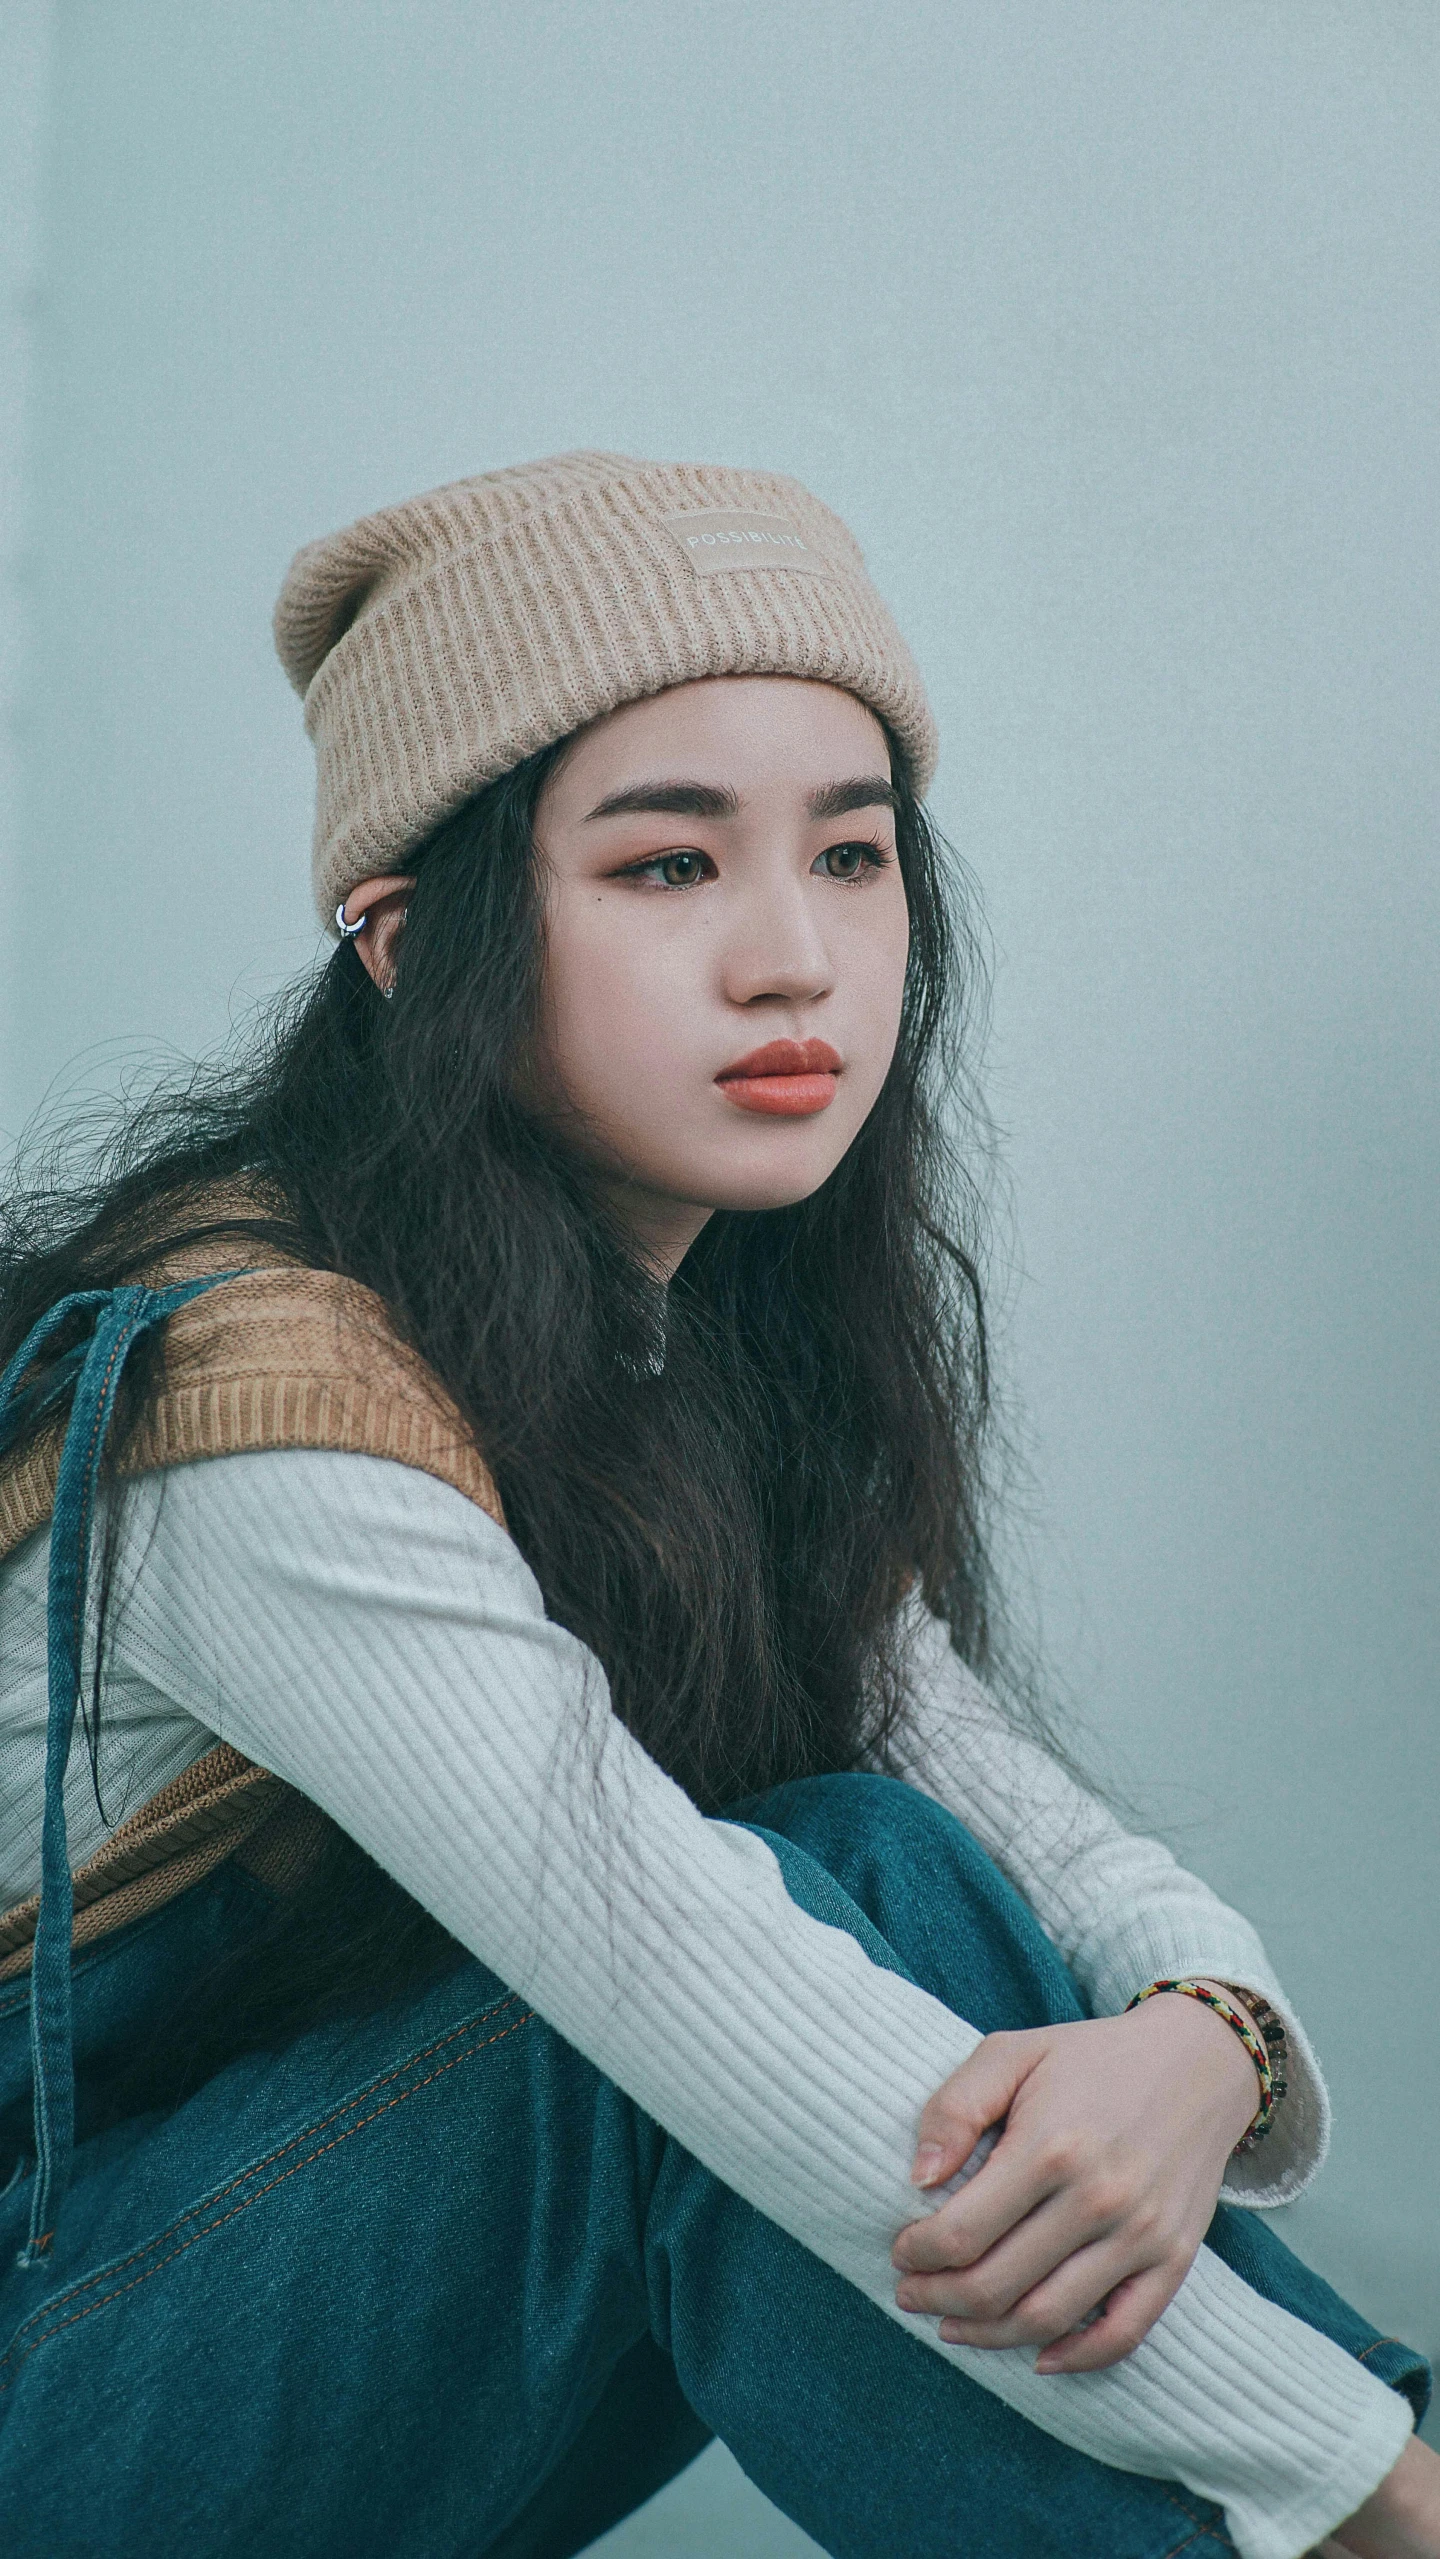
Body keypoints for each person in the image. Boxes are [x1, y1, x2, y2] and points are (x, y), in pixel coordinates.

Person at [0, 453, 1432, 2559]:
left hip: (228, 2314)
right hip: (69, 2397)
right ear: (407, 942)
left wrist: (1203, 2034)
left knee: (865, 1847)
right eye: (669, 869)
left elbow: (984, 1797)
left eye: (853, 857)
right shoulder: (262, 1394)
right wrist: (1368, 2476)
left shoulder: (680, 1342)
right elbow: (681, 1989)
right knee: (674, 2052)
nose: (796, 961)